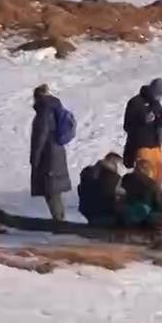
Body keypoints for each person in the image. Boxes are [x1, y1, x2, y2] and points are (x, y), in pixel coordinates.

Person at [29, 84, 72, 221]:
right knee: (54, 191)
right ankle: (59, 218)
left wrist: (34, 159)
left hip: (48, 156)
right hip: (57, 153)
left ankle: (59, 221)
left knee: (51, 191)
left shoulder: (44, 111)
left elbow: (40, 136)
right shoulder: (55, 108)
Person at [121, 78, 162, 186]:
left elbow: (160, 120)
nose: (159, 98)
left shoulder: (156, 104)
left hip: (156, 146)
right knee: (145, 179)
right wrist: (143, 119)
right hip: (141, 146)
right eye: (158, 95)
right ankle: (143, 197)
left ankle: (157, 198)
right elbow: (127, 126)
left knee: (158, 179)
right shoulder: (135, 103)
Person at [77, 152, 124, 227]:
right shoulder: (113, 178)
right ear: (114, 163)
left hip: (89, 214)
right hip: (106, 216)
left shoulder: (88, 174)